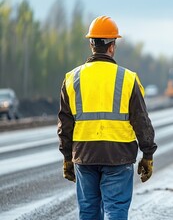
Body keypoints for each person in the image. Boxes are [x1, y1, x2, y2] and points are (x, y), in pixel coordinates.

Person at [57, 15, 157, 220]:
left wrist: (67, 157)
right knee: (116, 210)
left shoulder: (72, 78)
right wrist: (147, 154)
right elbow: (141, 121)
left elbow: (65, 124)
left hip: (84, 155)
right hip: (118, 155)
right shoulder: (128, 79)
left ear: (91, 44)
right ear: (112, 46)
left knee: (88, 211)